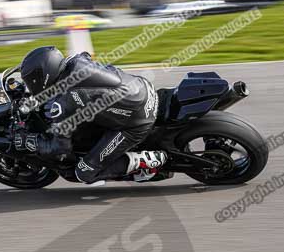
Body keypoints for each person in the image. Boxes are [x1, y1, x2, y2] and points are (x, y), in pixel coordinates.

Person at [13, 46, 168, 183]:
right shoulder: (75, 61)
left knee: (84, 172)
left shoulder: (64, 104)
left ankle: (146, 162)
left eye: (30, 81)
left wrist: (29, 141)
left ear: (42, 78)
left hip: (137, 122)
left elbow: (60, 150)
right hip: (142, 88)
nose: (29, 85)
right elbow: (86, 56)